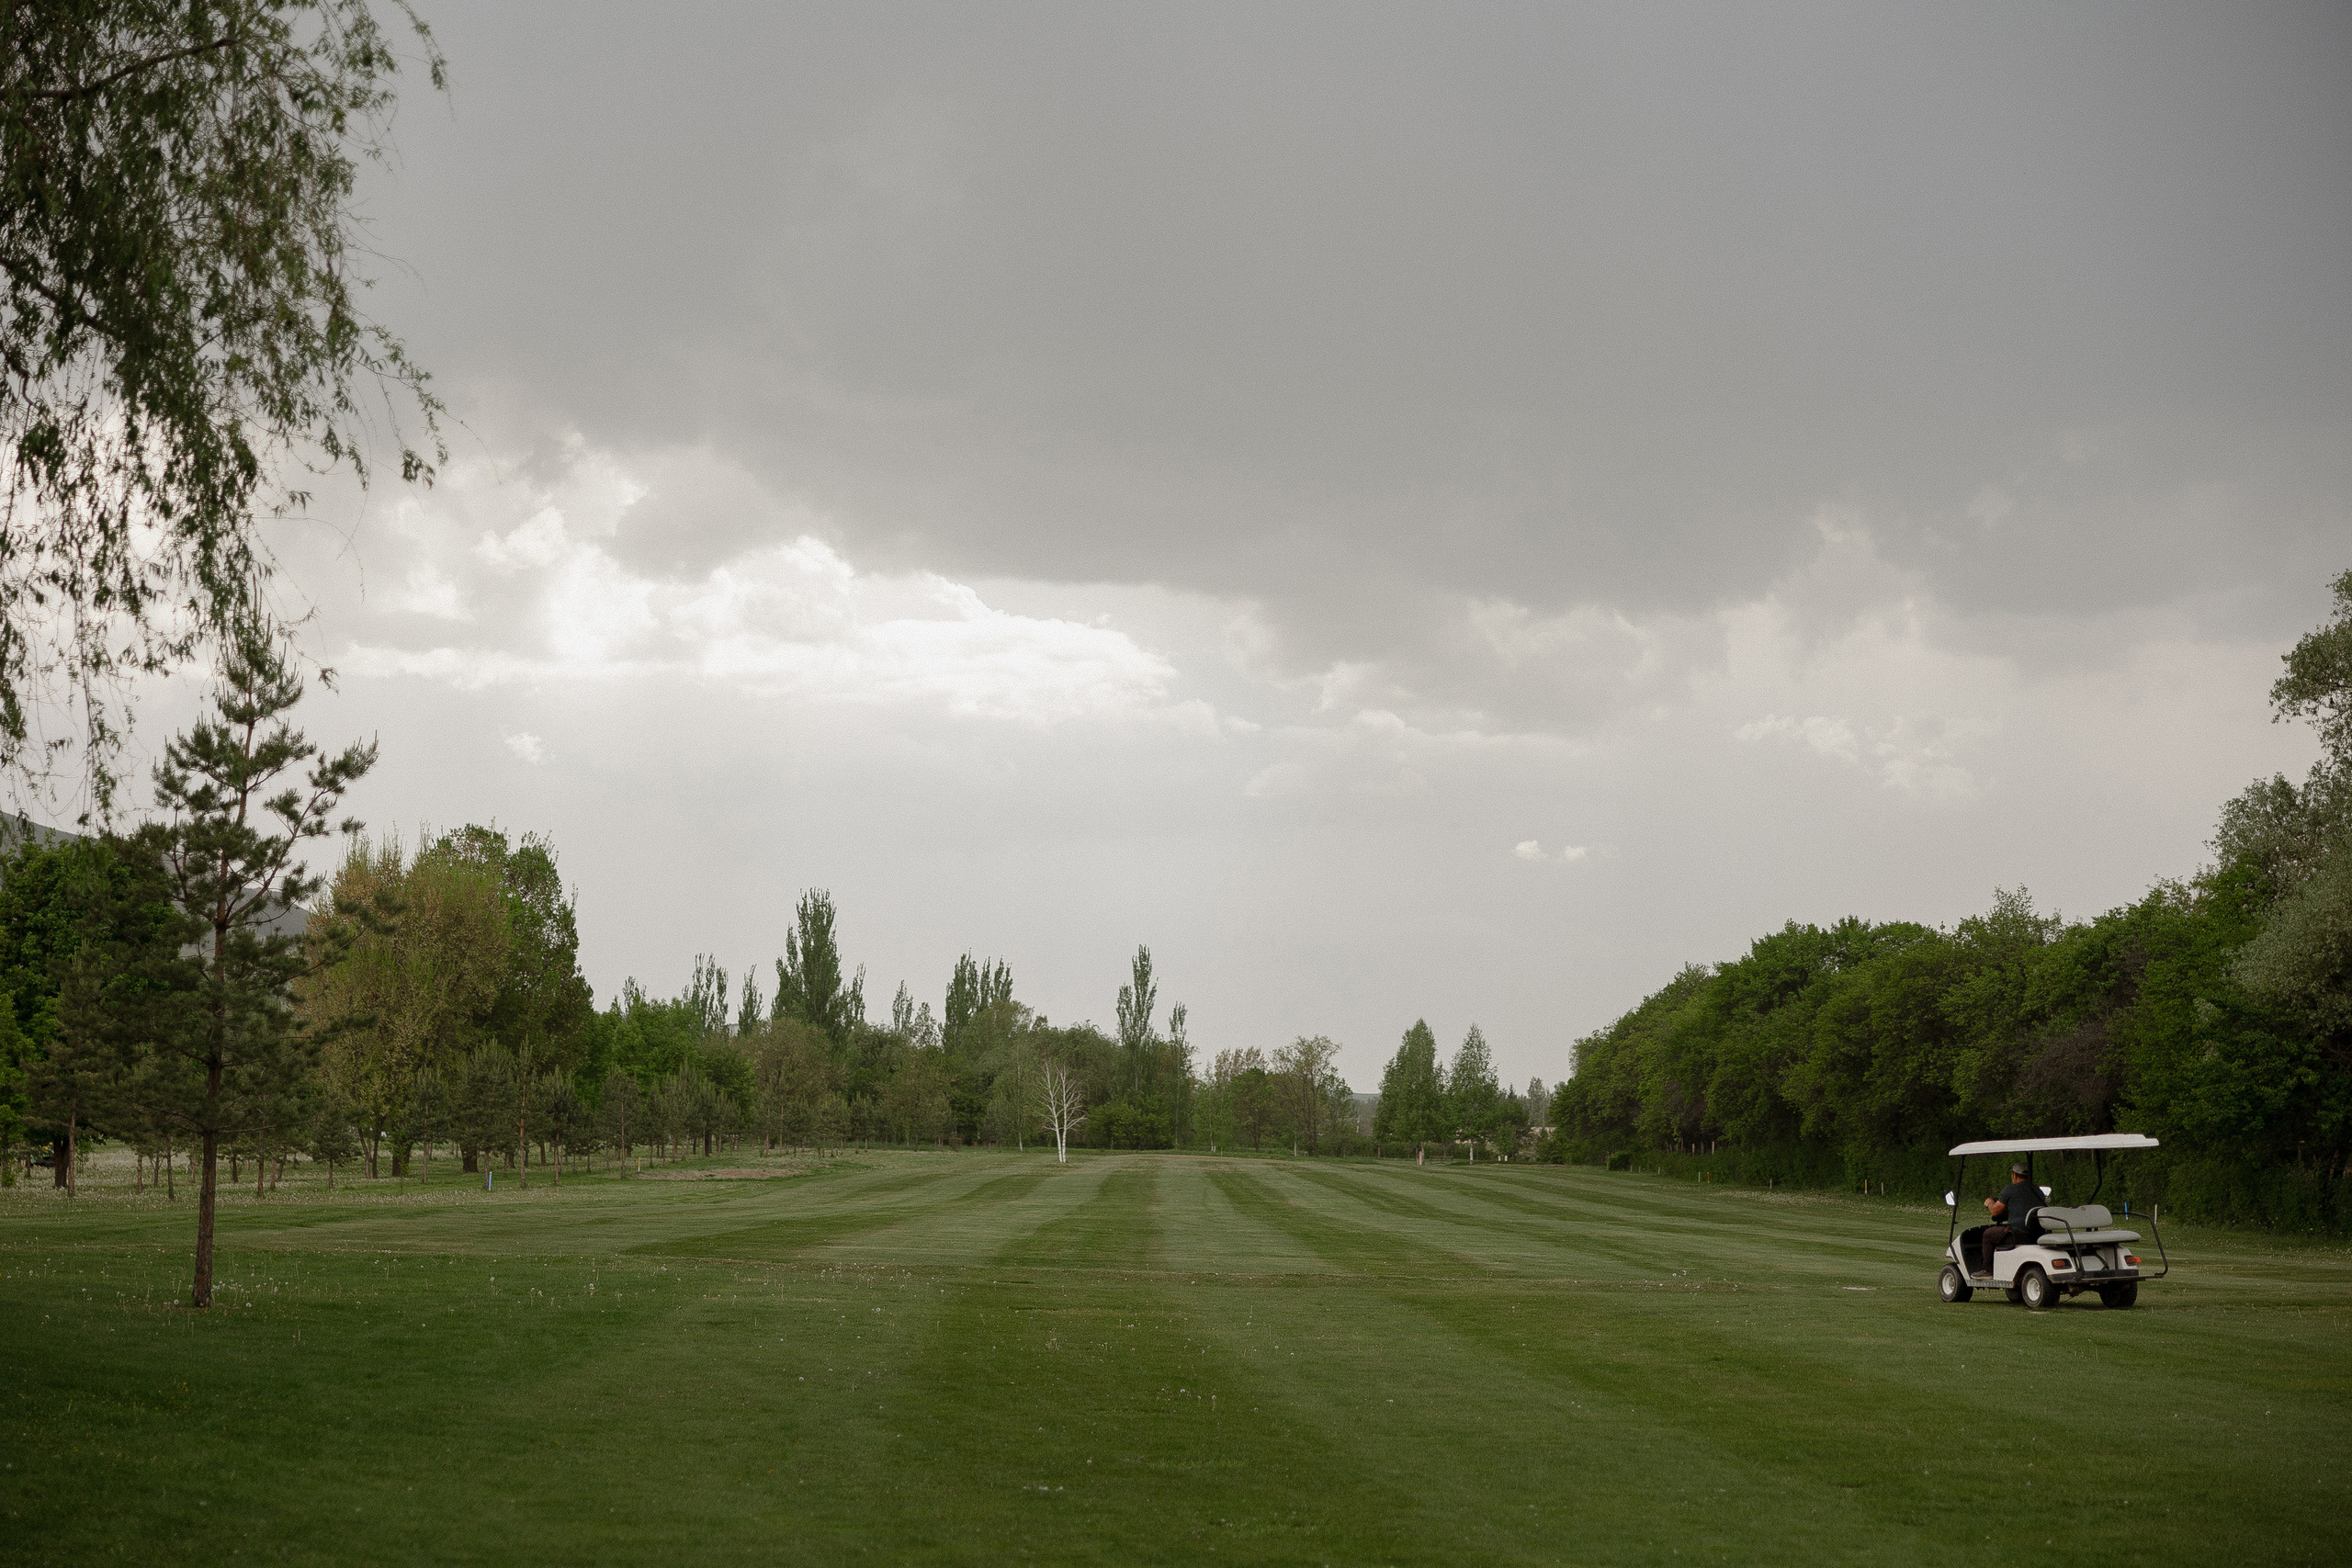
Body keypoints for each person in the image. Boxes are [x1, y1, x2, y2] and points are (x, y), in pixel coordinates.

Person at [1977, 1161, 2042, 1278]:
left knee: (1988, 1234)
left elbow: (1995, 1211)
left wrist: (1989, 1203)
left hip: (2018, 1234)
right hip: (2036, 1233)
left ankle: (1987, 1270)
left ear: (2015, 1175)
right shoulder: (2037, 1190)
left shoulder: (2010, 1190)